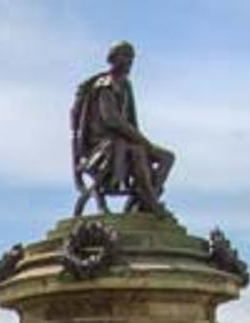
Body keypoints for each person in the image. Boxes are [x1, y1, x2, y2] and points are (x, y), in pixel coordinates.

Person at [71, 40, 176, 217]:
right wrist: (142, 141)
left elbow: (130, 121)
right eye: (125, 56)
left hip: (126, 141)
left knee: (167, 157)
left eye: (131, 57)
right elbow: (112, 120)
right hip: (102, 146)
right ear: (113, 58)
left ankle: (145, 200)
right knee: (138, 152)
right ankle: (151, 201)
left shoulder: (126, 86)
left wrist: (141, 140)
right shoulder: (104, 85)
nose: (129, 61)